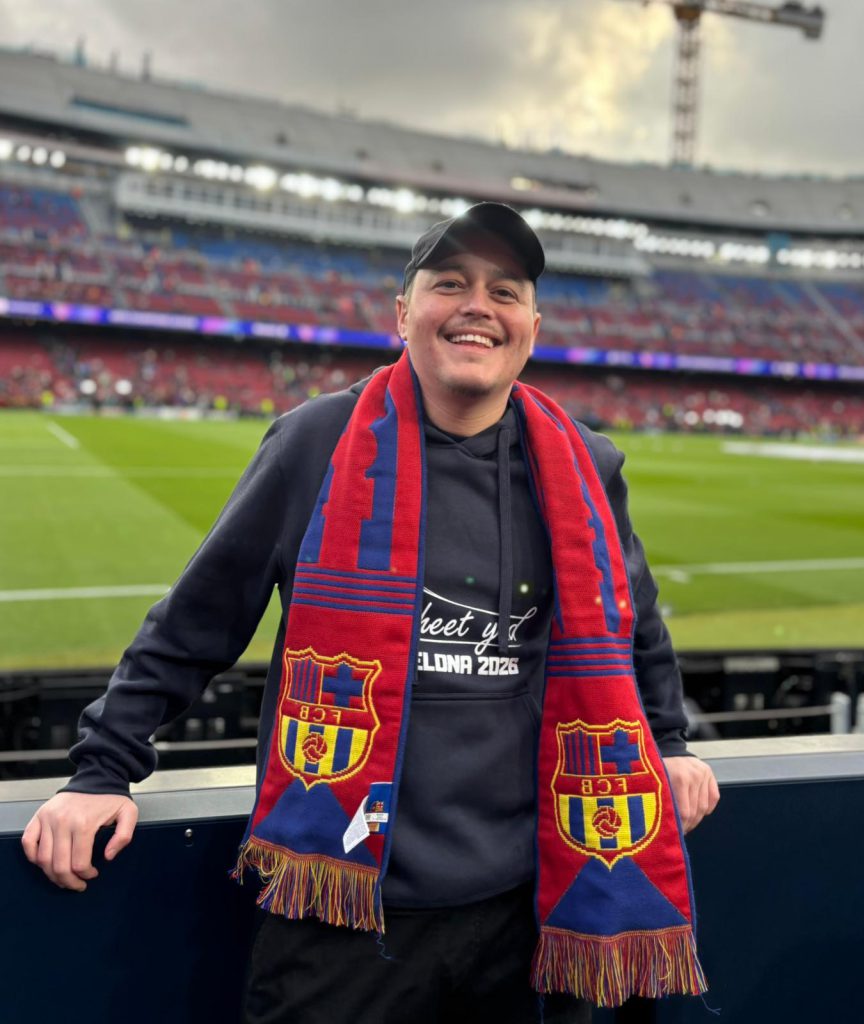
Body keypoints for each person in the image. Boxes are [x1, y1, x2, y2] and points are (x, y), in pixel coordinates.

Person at [22, 203, 719, 1023]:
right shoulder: (315, 442)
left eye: (504, 291)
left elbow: (635, 626)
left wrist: (668, 743)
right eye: (449, 284)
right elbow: (196, 622)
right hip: (343, 905)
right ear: (402, 312)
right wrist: (101, 771)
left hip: (530, 908)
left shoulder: (587, 465)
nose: (477, 307)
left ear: (532, 328)